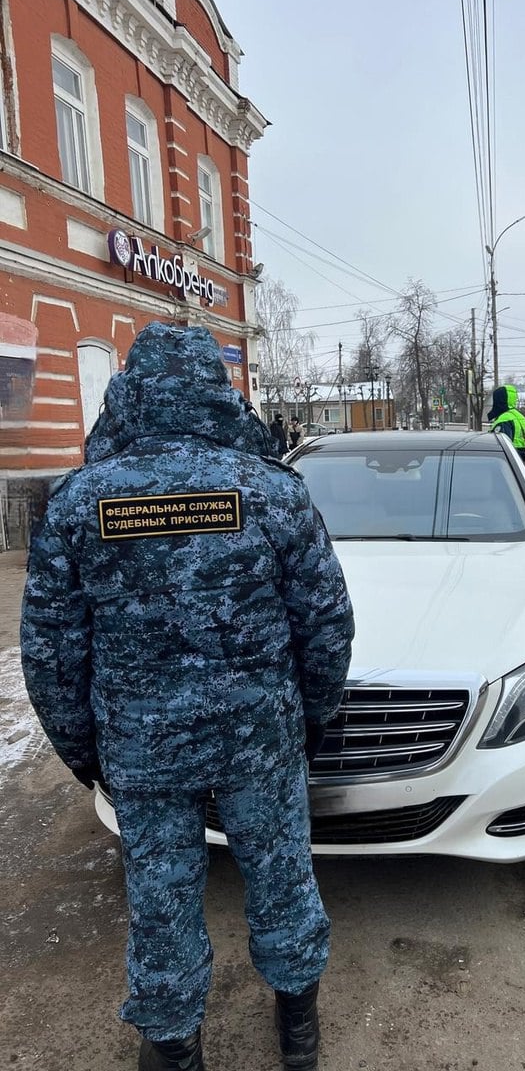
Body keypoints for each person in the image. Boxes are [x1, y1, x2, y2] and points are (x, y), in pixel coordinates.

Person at [20, 322, 355, 1071]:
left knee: (161, 901)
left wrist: (85, 753)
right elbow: (326, 625)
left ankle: (173, 1049)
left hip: (141, 750)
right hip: (257, 741)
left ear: (128, 392)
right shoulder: (272, 491)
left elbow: (48, 652)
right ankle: (298, 1035)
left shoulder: (79, 502)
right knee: (281, 877)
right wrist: (310, 720)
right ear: (217, 392)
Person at [487, 384, 525, 466]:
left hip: (506, 463)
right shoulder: (519, 416)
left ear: (500, 401)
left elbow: (501, 446)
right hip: (520, 462)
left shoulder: (504, 419)